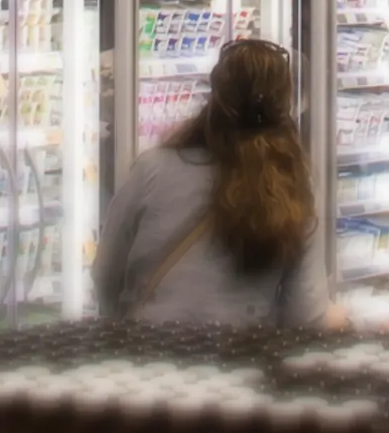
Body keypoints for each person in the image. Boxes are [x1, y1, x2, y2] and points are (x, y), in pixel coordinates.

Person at [93, 37, 329, 327]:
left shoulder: (152, 168)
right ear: (285, 107)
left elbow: (105, 274)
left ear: (215, 98)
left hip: (152, 354)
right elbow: (307, 312)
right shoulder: (294, 186)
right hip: (244, 357)